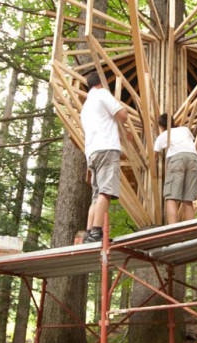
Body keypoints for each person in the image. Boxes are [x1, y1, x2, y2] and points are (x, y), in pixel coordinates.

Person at [80, 71, 128, 242]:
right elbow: (123, 115)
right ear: (101, 83)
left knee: (97, 193)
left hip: (92, 152)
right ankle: (97, 232)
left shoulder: (85, 107)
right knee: (106, 191)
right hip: (107, 148)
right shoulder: (102, 94)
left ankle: (88, 233)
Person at [154, 113, 197, 224]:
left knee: (171, 197)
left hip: (177, 160)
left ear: (161, 126)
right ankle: (191, 230)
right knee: (188, 199)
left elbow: (154, 155)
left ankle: (173, 229)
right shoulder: (185, 130)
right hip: (193, 159)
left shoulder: (163, 135)